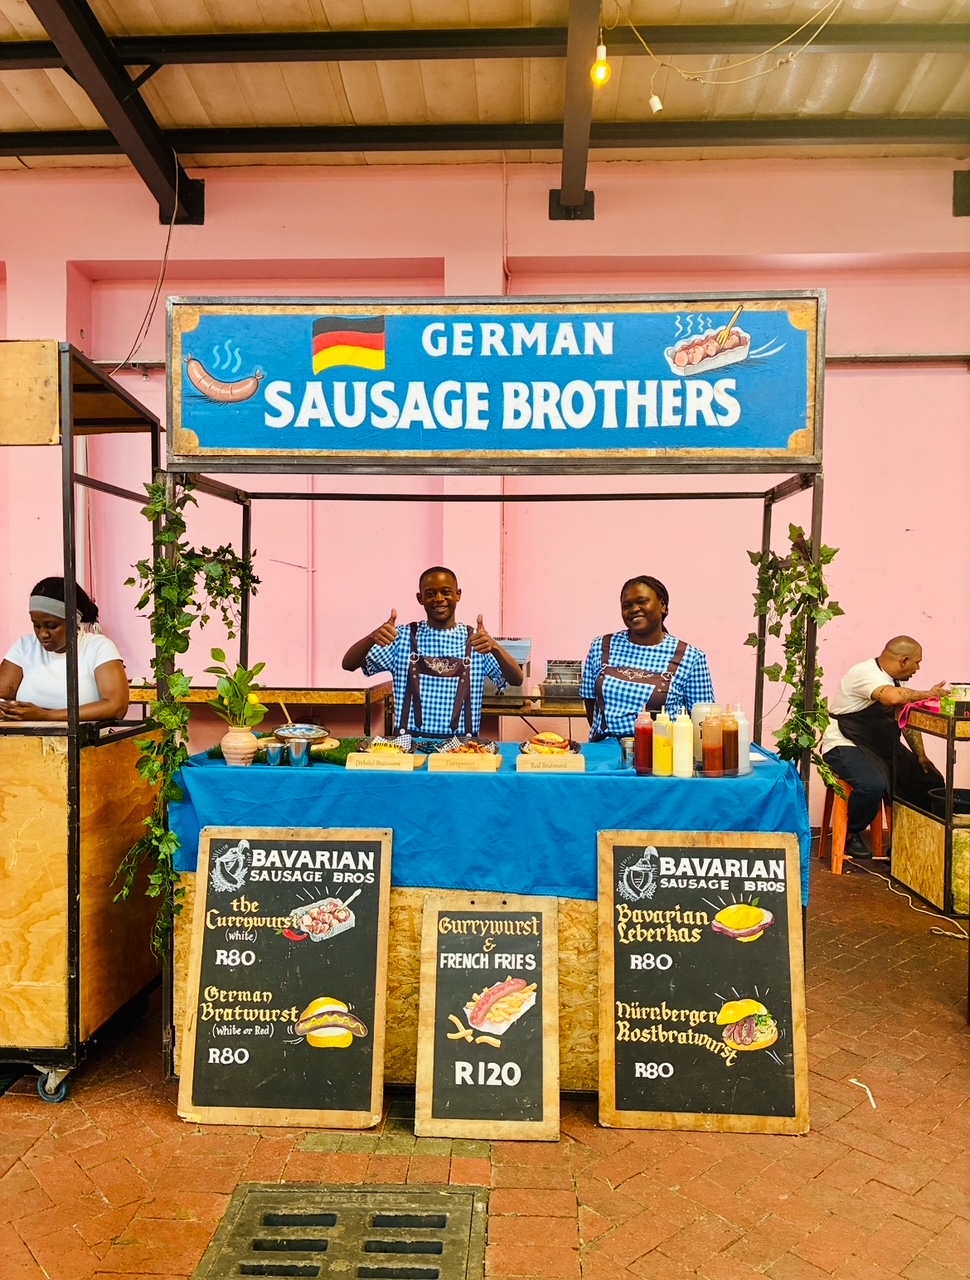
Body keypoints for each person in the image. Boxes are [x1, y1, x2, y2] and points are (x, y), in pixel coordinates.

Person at [342, 566, 524, 737]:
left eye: (446, 592)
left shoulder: (477, 642)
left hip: (462, 750)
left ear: (458, 594)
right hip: (410, 748)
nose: (439, 598)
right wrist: (371, 638)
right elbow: (348, 664)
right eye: (430, 594)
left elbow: (516, 680)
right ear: (420, 598)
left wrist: (496, 648)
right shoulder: (402, 638)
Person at [820, 636, 947, 859]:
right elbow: (892, 698)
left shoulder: (898, 681)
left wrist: (921, 755)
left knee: (930, 780)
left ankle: (908, 840)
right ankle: (852, 833)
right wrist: (928, 694)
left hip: (879, 745)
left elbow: (905, 720)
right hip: (844, 744)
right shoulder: (864, 673)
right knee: (872, 785)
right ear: (903, 660)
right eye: (917, 662)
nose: (918, 668)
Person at [581, 575, 715, 740]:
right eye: (627, 605)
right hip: (604, 751)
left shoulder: (690, 657)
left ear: (663, 606)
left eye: (642, 602)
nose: (634, 609)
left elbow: (703, 721)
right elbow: (590, 702)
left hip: (661, 751)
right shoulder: (601, 647)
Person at [0, 577, 129, 722]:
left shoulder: (98, 648)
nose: (43, 634)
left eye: (52, 626)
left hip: (84, 737)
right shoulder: (24, 646)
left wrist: (45, 716)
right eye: (36, 625)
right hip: (26, 737)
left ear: (74, 620)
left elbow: (116, 707)